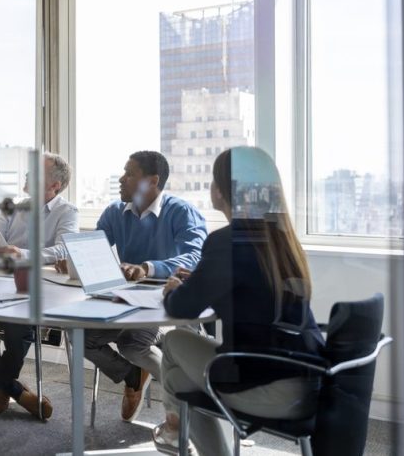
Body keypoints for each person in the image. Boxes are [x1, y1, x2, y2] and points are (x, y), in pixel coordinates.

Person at [152, 147, 324, 455]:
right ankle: (179, 432)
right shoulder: (280, 240)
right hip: (308, 380)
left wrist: (173, 289)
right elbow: (249, 288)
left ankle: (173, 429)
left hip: (266, 386)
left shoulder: (226, 242)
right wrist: (201, 280)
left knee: (175, 340)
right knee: (180, 379)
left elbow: (180, 309)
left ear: (220, 191)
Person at [84, 151, 207, 422]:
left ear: (152, 181)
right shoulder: (115, 212)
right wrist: (73, 260)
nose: (121, 179)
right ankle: (132, 375)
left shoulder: (181, 211)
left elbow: (195, 257)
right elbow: (93, 249)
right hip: (126, 300)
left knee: (132, 344)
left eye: (130, 174)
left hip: (167, 303)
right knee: (79, 336)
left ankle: (194, 398)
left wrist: (148, 268)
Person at [0, 152, 78, 420]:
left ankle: (1, 387)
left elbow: (63, 249)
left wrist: (22, 253)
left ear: (54, 185)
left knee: (17, 325)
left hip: (33, 287)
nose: (27, 175)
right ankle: (11, 387)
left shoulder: (67, 212)